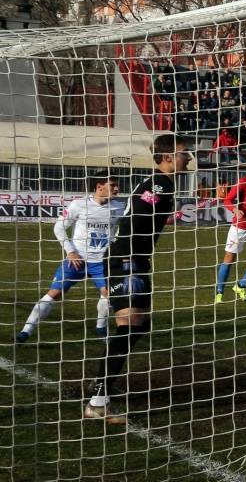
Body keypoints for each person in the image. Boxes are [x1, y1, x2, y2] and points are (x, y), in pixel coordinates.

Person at [90, 135, 188, 424]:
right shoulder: (160, 184)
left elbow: (141, 214)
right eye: (185, 153)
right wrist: (124, 260)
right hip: (127, 260)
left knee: (139, 325)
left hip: (133, 260)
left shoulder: (158, 184)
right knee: (130, 326)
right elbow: (135, 219)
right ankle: (98, 398)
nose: (190, 158)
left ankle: (103, 389)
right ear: (168, 157)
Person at [16, 173, 119, 344]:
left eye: (117, 185)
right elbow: (59, 228)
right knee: (54, 293)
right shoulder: (79, 205)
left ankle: (101, 328)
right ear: (99, 186)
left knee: (108, 293)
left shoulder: (119, 207)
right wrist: (70, 251)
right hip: (77, 259)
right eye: (113, 185)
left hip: (102, 262)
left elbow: (122, 231)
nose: (117, 188)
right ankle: (26, 331)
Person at [214, 166, 246, 303]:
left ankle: (241, 286)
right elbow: (227, 200)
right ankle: (219, 292)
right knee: (229, 258)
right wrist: (235, 210)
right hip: (239, 227)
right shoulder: (245, 181)